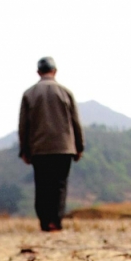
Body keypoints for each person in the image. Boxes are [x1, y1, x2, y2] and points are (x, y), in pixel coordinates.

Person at [18, 56, 84, 232]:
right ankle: (56, 220)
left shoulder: (29, 94)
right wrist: (79, 146)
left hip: (39, 148)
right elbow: (75, 122)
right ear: (55, 71)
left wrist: (24, 149)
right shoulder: (65, 92)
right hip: (63, 147)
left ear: (38, 72)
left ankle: (45, 221)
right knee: (59, 185)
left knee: (42, 185)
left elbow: (23, 125)